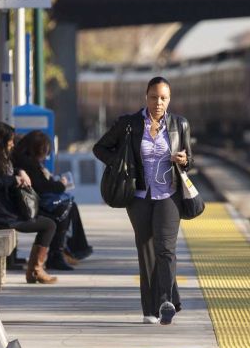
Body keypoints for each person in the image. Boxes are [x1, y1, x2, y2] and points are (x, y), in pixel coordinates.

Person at [93, 77, 193, 325]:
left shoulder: (180, 124)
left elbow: (190, 159)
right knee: (147, 250)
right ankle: (150, 309)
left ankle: (166, 302)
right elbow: (100, 148)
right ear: (145, 97)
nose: (158, 102)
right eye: (153, 97)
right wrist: (121, 164)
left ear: (169, 99)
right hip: (138, 197)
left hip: (169, 195)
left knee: (166, 249)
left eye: (163, 98)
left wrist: (183, 160)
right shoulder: (129, 124)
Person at [0, 122, 58, 284]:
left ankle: (35, 270)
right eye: (10, 140)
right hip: (3, 216)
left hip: (8, 212)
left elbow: (12, 168)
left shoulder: (2, 158)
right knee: (49, 225)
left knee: (48, 222)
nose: (12, 143)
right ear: (1, 141)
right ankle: (35, 270)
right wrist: (13, 180)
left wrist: (19, 172)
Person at [11, 130, 92, 271]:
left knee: (68, 206)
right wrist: (61, 184)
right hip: (27, 207)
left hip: (24, 203)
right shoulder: (28, 163)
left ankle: (69, 250)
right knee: (64, 208)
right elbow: (42, 186)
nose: (45, 155)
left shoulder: (23, 159)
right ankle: (58, 254)